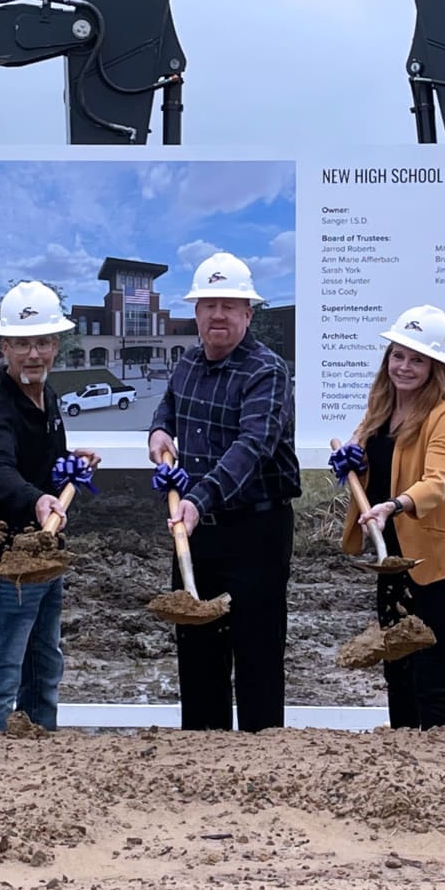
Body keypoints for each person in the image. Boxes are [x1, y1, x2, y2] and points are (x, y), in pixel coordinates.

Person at [147, 250, 301, 732]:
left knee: (256, 654)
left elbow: (252, 445)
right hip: (197, 531)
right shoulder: (187, 363)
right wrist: (157, 431)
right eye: (209, 304)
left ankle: (259, 763)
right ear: (195, 312)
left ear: (248, 314)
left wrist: (198, 497)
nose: (218, 314)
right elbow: (168, 408)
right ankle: (201, 757)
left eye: (230, 306)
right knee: (197, 653)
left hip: (255, 529)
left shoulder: (267, 371)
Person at [0, 282, 97, 735]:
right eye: (22, 343)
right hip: (0, 570)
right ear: (4, 347)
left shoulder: (48, 401)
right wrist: (37, 499)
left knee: (42, 679)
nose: (33, 353)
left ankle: (38, 781)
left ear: (57, 344)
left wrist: (70, 466)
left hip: (44, 561)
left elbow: (34, 463)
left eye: (42, 341)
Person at [337, 304, 445, 729]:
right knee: (395, 666)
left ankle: (437, 761)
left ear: (435, 367)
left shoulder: (443, 414)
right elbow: (370, 462)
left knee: (427, 674)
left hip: (433, 562)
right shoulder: (380, 406)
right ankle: (401, 756)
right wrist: (351, 460)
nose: (405, 366)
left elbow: (436, 484)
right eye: (398, 355)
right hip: (390, 557)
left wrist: (394, 505)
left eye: (417, 359)